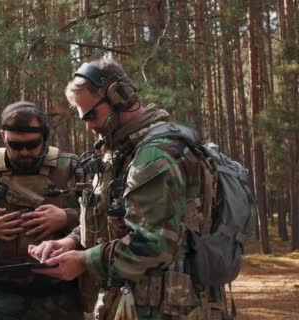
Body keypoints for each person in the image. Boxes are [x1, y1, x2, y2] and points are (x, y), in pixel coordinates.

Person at [29, 58, 214, 319]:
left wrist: (84, 261)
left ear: (120, 97)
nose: (89, 126)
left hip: (165, 308)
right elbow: (111, 217)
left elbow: (153, 245)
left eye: (91, 114)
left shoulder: (153, 157)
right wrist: (71, 242)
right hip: (134, 303)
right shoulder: (122, 152)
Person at [0, 101, 84, 320]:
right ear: (3, 137)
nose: (24, 152)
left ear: (45, 138)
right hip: (3, 295)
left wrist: (66, 217)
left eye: (32, 144)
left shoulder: (70, 168)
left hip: (60, 296)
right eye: (16, 145)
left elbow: (99, 224)